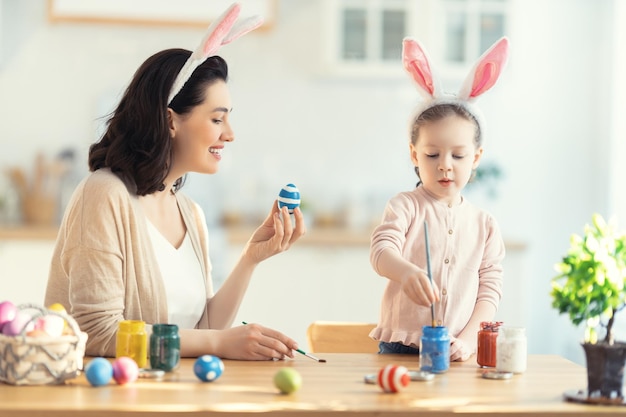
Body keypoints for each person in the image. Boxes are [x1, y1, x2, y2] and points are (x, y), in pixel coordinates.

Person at [44, 3, 306, 360]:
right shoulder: (104, 194)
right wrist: (219, 343)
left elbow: (200, 329)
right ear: (171, 120)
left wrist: (250, 258)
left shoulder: (189, 213)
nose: (229, 134)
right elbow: (95, 332)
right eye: (217, 119)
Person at [369, 37, 510, 361]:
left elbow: (489, 290)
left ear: (476, 157)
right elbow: (381, 251)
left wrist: (469, 340)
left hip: (457, 351)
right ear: (414, 154)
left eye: (458, 155)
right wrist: (405, 272)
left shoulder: (484, 225)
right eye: (432, 154)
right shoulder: (405, 206)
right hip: (401, 349)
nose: (445, 164)